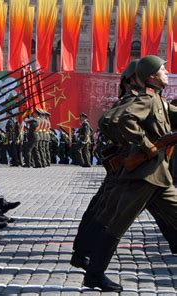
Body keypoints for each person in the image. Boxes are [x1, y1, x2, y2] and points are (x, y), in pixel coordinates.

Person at [83, 55, 177, 292]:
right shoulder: (147, 100)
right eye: (163, 69)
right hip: (144, 176)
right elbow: (122, 118)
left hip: (158, 176)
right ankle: (94, 274)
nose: (167, 71)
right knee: (117, 224)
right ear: (153, 76)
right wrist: (146, 145)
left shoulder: (158, 100)